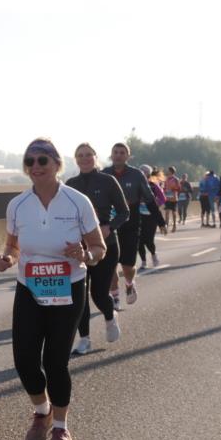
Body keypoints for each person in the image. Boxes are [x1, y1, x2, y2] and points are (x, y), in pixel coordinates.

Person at [0, 138, 106, 440]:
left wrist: (86, 254)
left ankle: (60, 428)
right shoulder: (17, 205)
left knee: (55, 361)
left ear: (57, 164)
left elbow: (100, 248)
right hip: (30, 287)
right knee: (25, 360)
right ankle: (42, 411)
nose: (35, 167)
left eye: (42, 160)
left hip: (68, 287)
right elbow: (13, 246)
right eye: (29, 162)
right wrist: (7, 259)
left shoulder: (77, 202)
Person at [66, 143, 127, 355]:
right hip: (78, 248)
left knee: (99, 294)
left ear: (95, 157)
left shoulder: (107, 181)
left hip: (105, 245)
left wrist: (109, 227)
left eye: (88, 155)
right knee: (79, 295)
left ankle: (110, 317)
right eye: (80, 155)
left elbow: (124, 212)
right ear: (76, 159)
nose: (84, 158)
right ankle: (84, 339)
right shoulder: (70, 185)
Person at [103, 143, 161, 308]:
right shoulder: (104, 174)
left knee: (128, 266)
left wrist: (160, 221)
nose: (118, 155)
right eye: (115, 152)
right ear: (111, 155)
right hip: (110, 226)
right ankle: (115, 298)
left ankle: (129, 283)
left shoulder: (136, 175)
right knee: (110, 264)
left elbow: (149, 199)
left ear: (128, 156)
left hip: (131, 225)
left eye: (122, 153)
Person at [137, 165, 167, 270]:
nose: (142, 174)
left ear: (148, 175)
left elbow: (163, 199)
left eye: (144, 172)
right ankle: (143, 262)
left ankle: (154, 254)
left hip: (151, 216)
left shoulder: (153, 186)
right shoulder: (135, 186)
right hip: (139, 216)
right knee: (139, 240)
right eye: (140, 172)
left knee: (148, 240)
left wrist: (154, 204)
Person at [163, 166, 181, 232]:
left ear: (171, 171)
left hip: (174, 198)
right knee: (167, 212)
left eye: (168, 170)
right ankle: (166, 226)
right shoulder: (166, 179)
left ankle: (174, 226)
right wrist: (164, 191)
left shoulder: (176, 179)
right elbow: (164, 187)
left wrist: (173, 189)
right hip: (167, 198)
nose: (167, 171)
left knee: (173, 213)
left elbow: (179, 188)